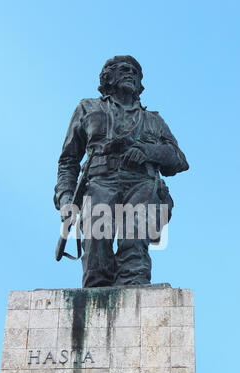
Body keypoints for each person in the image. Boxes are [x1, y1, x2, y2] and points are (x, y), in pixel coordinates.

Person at [54, 55, 189, 287]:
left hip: (141, 185)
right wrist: (66, 197)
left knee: (134, 243)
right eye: (123, 69)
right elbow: (68, 160)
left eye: (135, 72)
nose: (130, 74)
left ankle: (134, 301)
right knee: (96, 255)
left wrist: (149, 151)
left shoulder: (153, 120)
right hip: (99, 184)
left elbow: (179, 160)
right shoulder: (87, 109)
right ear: (107, 77)